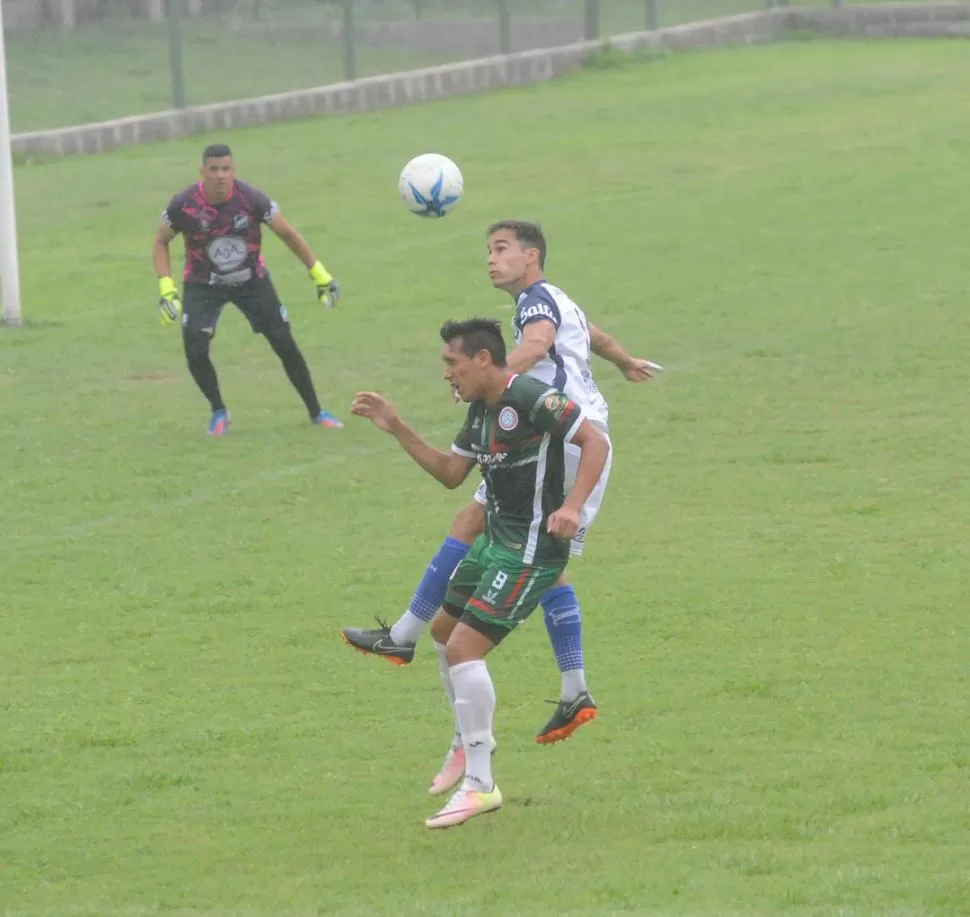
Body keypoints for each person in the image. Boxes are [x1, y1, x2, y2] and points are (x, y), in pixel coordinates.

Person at [342, 221, 659, 753]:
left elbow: (536, 345)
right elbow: (595, 336)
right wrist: (625, 361)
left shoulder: (535, 303)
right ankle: (574, 688)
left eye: (501, 249)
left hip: (558, 441)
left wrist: (492, 383)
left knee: (486, 529)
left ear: (531, 256)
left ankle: (405, 637)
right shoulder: (557, 299)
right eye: (488, 249)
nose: (491, 259)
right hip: (571, 436)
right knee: (534, 556)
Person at [350, 318, 611, 828]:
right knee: (444, 634)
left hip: (533, 548)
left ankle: (480, 782)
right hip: (495, 541)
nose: (447, 373)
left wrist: (574, 506)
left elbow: (595, 441)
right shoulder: (480, 412)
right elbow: (452, 475)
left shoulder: (532, 397)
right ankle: (467, 743)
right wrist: (398, 427)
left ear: (483, 360)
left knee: (466, 648)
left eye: (452, 362)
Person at [152, 143, 344, 435]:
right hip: (203, 284)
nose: (220, 176)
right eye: (214, 170)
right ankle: (218, 411)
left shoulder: (252, 199)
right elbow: (160, 241)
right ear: (202, 172)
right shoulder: (184, 204)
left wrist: (320, 275)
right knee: (194, 347)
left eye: (226, 169)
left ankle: (317, 412)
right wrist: (167, 288)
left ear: (234, 170)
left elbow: (289, 235)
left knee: (284, 344)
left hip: (252, 282)